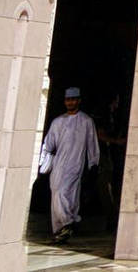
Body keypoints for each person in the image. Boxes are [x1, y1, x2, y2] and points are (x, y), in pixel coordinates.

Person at [38, 87, 100, 242]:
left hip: (75, 164)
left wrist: (93, 163)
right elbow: (48, 144)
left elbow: (92, 144)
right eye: (68, 100)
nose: (70, 102)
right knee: (57, 192)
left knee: (65, 193)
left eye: (73, 99)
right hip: (58, 164)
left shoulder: (86, 121)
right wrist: (43, 162)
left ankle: (67, 223)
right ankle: (62, 230)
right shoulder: (58, 122)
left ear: (78, 101)